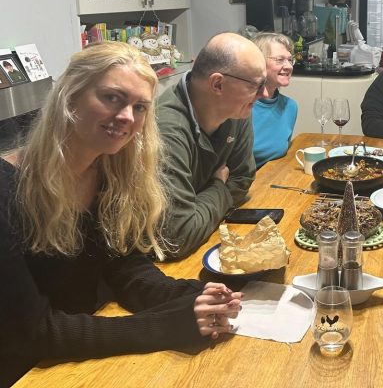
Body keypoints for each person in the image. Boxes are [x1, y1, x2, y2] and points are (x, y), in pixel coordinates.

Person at [0, 42, 242, 387]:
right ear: (70, 97)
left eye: (140, 107)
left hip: (72, 362)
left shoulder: (107, 173)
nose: (128, 116)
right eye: (112, 98)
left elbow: (123, 267)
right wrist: (170, 325)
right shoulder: (6, 189)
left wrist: (192, 294)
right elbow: (33, 332)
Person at [157, 32, 268, 259]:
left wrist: (199, 208)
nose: (264, 94)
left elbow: (242, 179)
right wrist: (218, 185)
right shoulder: (166, 129)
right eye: (257, 85)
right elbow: (177, 237)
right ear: (218, 84)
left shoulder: (236, 110)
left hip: (207, 240)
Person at [247, 32, 298, 168]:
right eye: (280, 60)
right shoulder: (240, 107)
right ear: (258, 63)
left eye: (290, 60)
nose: (289, 66)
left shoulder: (290, 107)